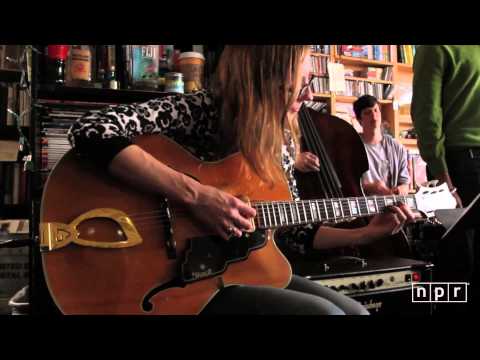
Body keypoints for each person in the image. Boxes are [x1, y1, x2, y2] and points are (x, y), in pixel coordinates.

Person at [68, 45, 414, 315]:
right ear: (268, 76)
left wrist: (368, 232)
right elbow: (91, 130)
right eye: (303, 83)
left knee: (354, 311)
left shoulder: (282, 140)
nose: (309, 96)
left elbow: (293, 234)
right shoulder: (204, 110)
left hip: (239, 269)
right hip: (179, 277)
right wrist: (197, 196)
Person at [411, 45, 480, 310]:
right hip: (459, 165)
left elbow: (427, 115)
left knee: (457, 264)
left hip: (459, 164)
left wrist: (441, 177)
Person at [351, 95, 410, 196]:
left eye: (376, 110)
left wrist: (399, 190)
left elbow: (405, 185)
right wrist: (371, 188)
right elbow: (345, 184)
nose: (374, 116)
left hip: (390, 207)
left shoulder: (396, 147)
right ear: (359, 120)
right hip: (361, 207)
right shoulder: (351, 146)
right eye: (367, 113)